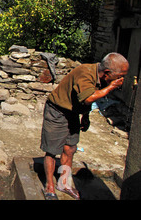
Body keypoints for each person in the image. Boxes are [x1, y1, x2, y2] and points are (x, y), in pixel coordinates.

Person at [40, 52, 129, 200]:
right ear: (107, 73)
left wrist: (85, 116)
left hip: (73, 112)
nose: (121, 80)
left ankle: (64, 183)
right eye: (120, 76)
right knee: (52, 150)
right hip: (57, 110)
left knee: (70, 148)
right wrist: (110, 88)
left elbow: (85, 99)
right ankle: (49, 186)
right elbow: (88, 98)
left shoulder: (100, 78)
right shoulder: (85, 73)